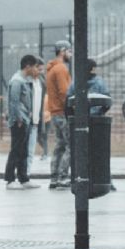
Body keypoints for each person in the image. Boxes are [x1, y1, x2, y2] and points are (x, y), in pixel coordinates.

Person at [5, 55, 42, 190]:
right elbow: (13, 102)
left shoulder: (24, 80)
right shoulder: (17, 81)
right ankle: (10, 179)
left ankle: (23, 178)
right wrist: (19, 119)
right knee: (16, 150)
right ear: (28, 66)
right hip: (19, 121)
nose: (35, 70)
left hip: (25, 120)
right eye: (34, 67)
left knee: (24, 150)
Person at [46, 40, 73, 189]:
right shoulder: (61, 69)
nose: (71, 54)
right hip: (63, 112)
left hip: (54, 113)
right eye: (69, 51)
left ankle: (54, 177)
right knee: (70, 145)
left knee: (59, 145)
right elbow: (65, 92)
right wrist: (71, 108)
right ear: (62, 51)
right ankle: (63, 176)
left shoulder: (51, 69)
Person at [26, 57, 45, 176]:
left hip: (36, 121)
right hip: (26, 121)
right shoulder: (26, 82)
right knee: (23, 150)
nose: (41, 72)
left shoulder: (41, 82)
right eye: (39, 69)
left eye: (43, 70)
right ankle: (21, 175)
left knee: (31, 151)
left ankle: (26, 174)